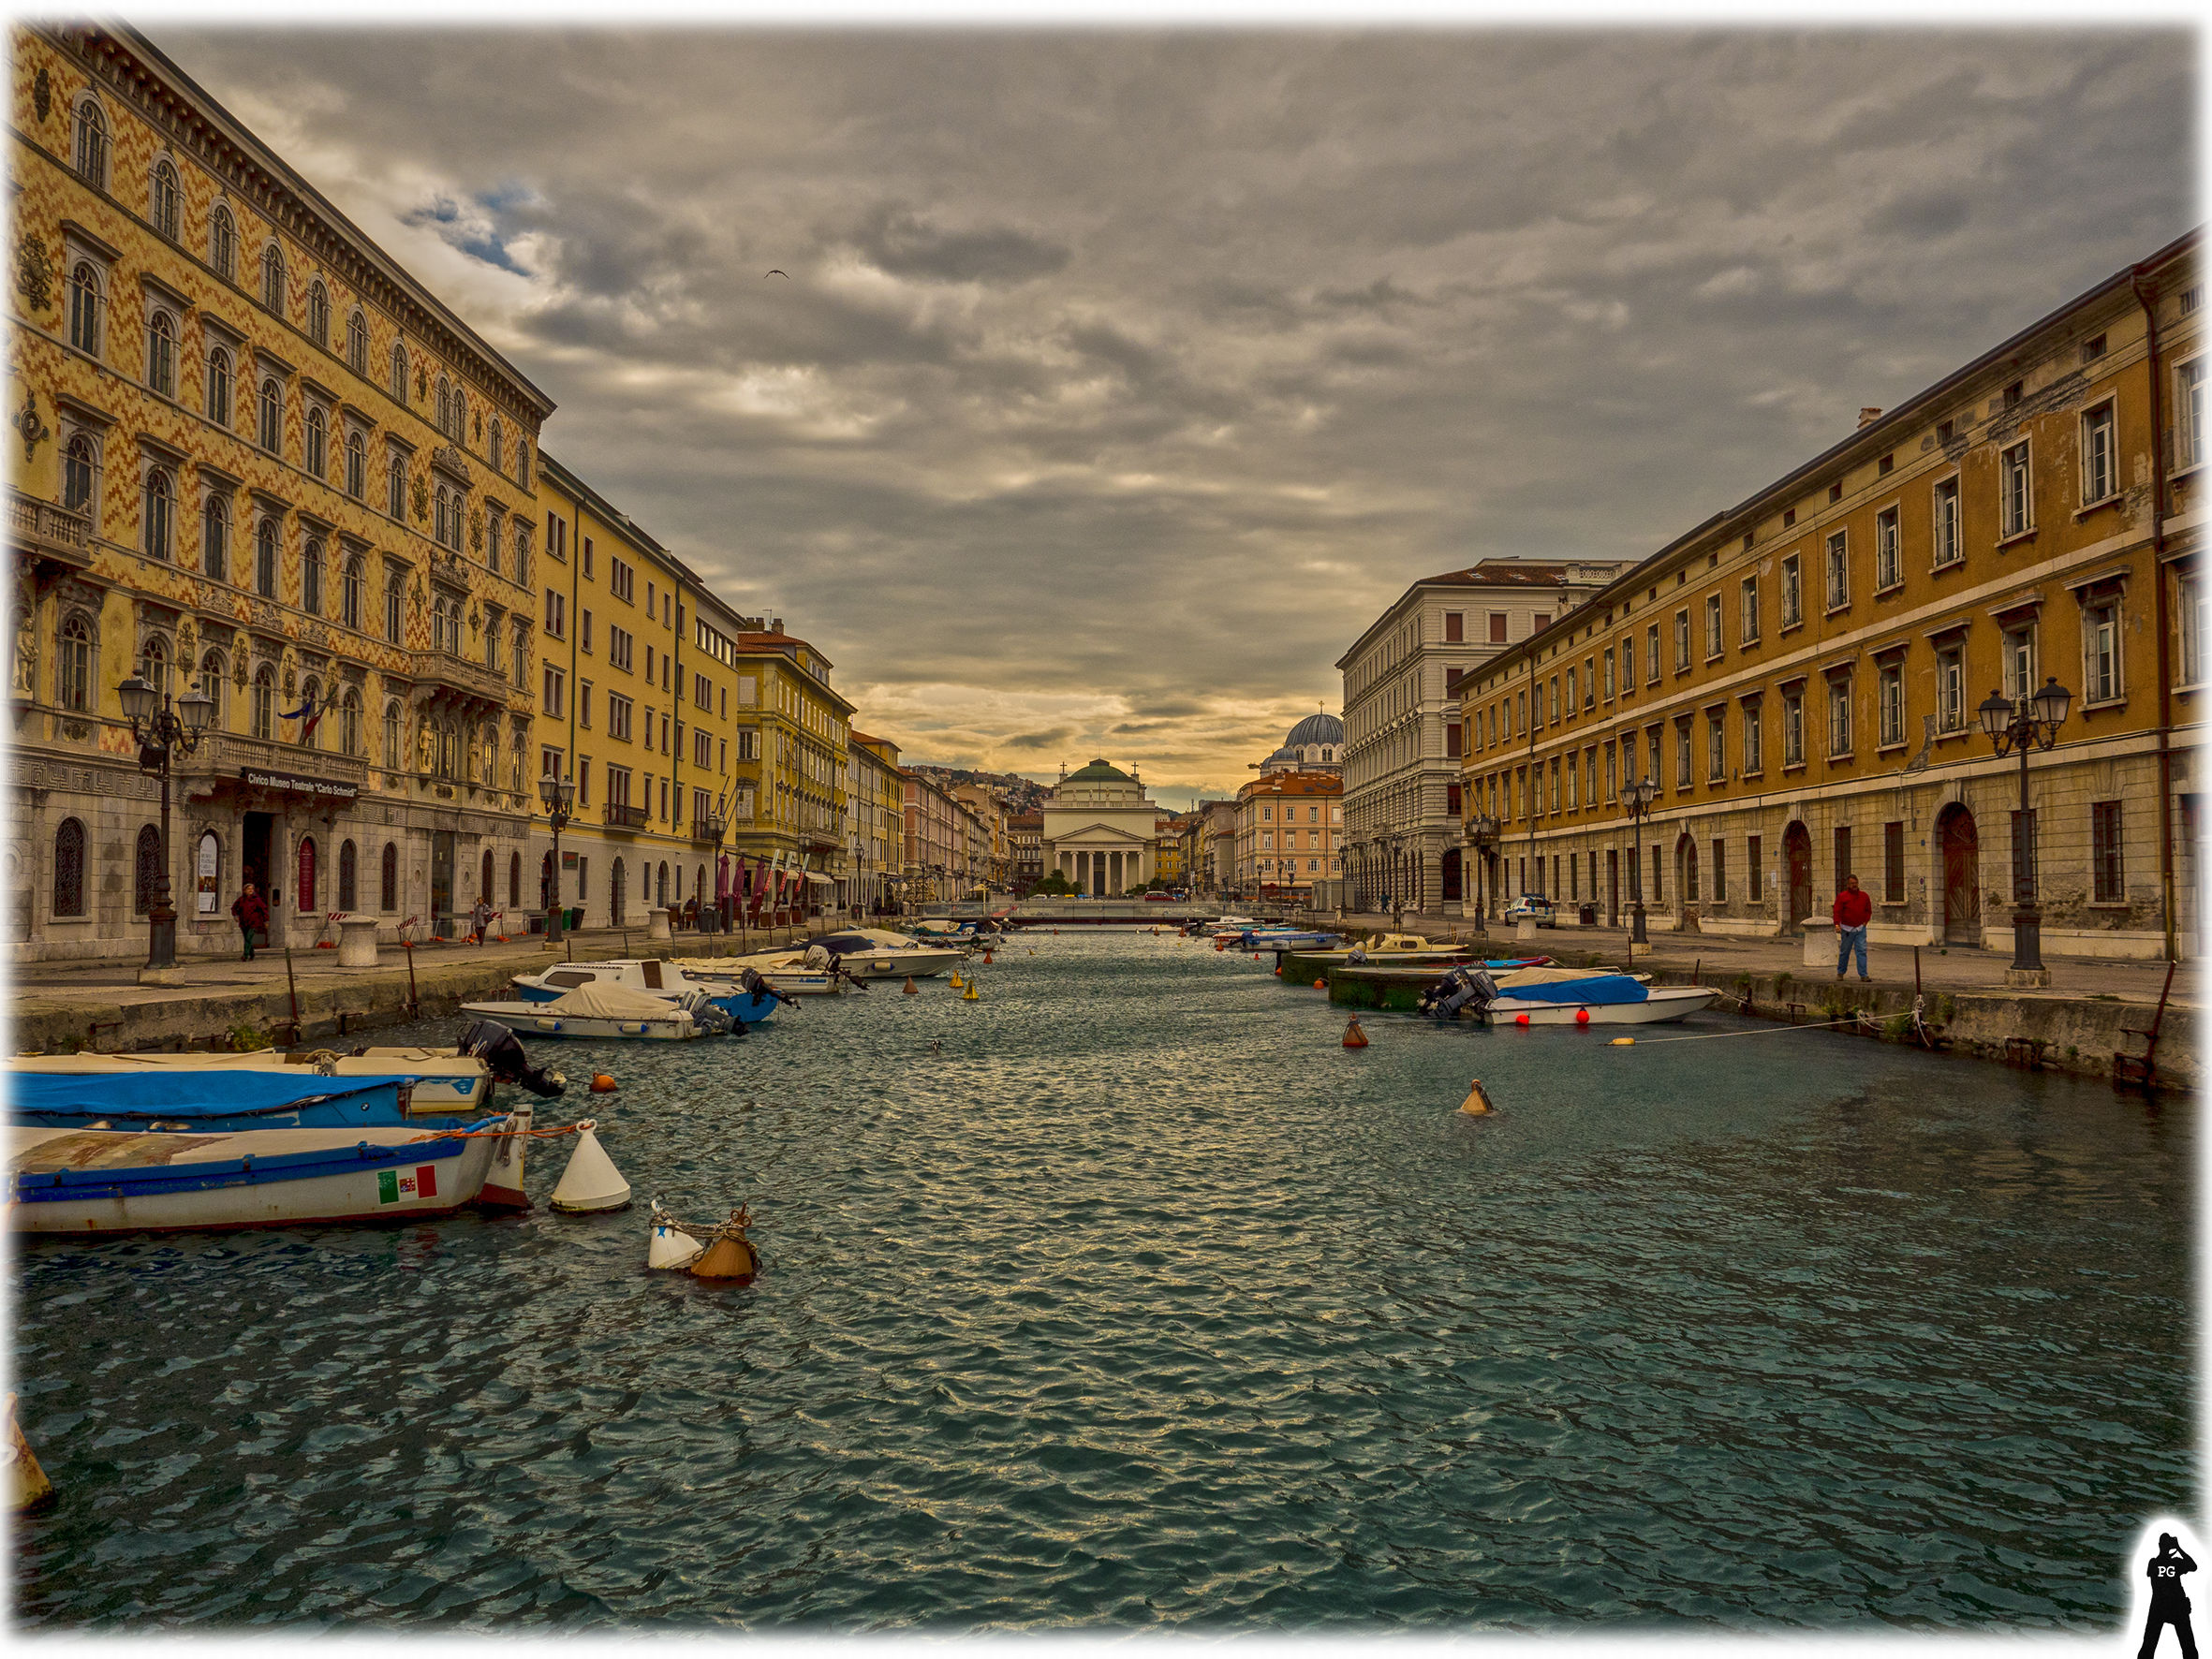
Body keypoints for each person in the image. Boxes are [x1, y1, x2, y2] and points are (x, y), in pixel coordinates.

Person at [2143, 1533, 2198, 1659]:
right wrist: (2179, 1548)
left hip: (2158, 1607)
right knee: (2189, 1649)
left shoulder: (2153, 1563)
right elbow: (2193, 1566)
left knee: (2148, 1648)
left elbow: (2151, 1573)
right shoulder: (2176, 1563)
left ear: (2159, 1545)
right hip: (2177, 1608)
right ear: (2170, 1547)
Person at [1832, 873, 1873, 981]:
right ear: (1848, 885)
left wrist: (1865, 922)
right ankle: (1840, 973)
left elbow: (1868, 910)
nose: (1854, 885)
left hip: (1860, 928)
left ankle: (1863, 975)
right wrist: (1837, 924)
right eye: (1852, 883)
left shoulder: (1864, 896)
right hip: (1846, 929)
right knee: (1845, 951)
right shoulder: (1842, 897)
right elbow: (1837, 911)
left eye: (1855, 883)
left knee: (1862, 951)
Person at [230, 881, 268, 962]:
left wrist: (266, 920)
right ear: (244, 890)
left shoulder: (257, 900)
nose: (250, 890)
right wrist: (235, 915)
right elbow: (234, 908)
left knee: (248, 938)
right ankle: (252, 954)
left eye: (252, 889)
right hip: (243, 922)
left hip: (254, 922)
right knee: (247, 939)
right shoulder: (241, 899)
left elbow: (264, 910)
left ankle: (245, 955)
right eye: (248, 889)